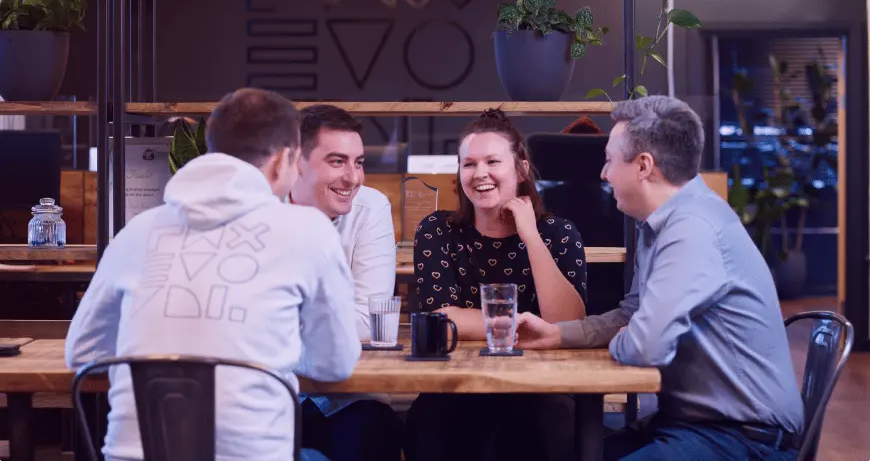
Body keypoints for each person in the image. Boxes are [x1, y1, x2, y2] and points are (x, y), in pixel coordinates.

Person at [65, 88, 361, 461]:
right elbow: (336, 362)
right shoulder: (308, 230)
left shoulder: (137, 233)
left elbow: (82, 354)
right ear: (284, 159)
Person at [516, 96, 805, 460]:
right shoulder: (657, 226)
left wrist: (631, 338)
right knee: (551, 446)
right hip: (690, 424)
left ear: (643, 166)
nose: (603, 174)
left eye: (608, 160)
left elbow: (646, 346)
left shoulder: (692, 229)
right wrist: (559, 334)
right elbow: (631, 316)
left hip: (744, 439)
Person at [403, 109, 588, 461]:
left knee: (551, 425)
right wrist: (527, 324)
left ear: (520, 170)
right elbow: (440, 322)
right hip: (455, 385)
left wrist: (531, 236)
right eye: (469, 164)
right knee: (428, 425)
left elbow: (567, 322)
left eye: (492, 161)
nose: (480, 173)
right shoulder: (437, 230)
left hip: (541, 388)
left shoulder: (559, 233)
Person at [289, 104, 403, 461]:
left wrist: (275, 327)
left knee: (371, 429)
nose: (353, 178)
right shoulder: (261, 208)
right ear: (296, 161)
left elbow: (370, 321)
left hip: (348, 397)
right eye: (337, 161)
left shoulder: (370, 207)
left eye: (359, 162)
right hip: (271, 394)